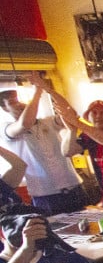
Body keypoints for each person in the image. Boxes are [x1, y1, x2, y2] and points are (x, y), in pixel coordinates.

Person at [0, 73, 87, 215]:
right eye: (13, 102)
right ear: (4, 108)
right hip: (45, 195)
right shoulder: (7, 128)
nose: (21, 104)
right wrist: (37, 91)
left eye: (21, 99)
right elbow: (25, 123)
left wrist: (48, 89)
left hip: (73, 187)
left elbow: (70, 114)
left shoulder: (47, 121)